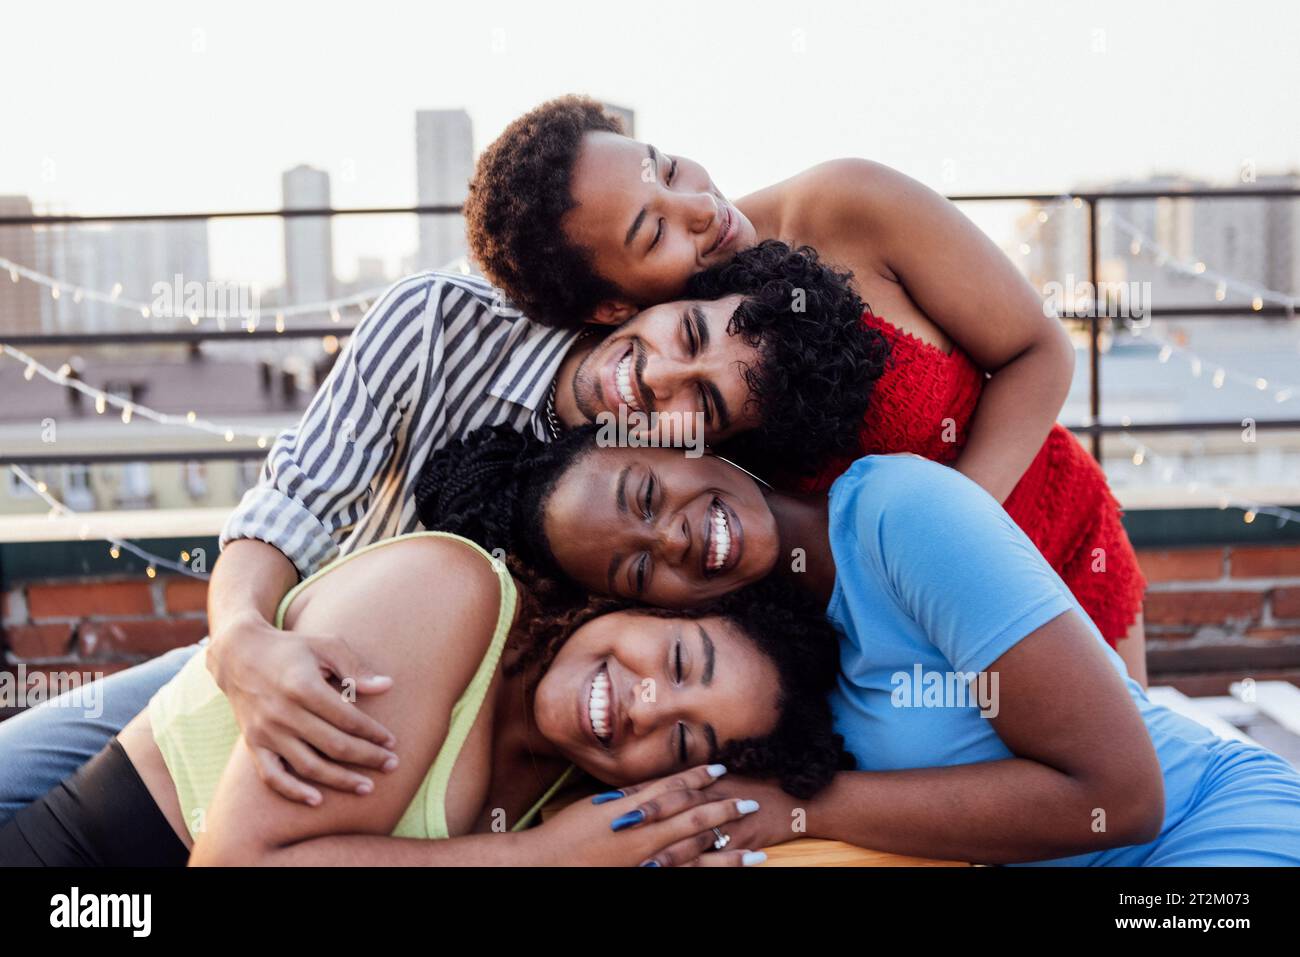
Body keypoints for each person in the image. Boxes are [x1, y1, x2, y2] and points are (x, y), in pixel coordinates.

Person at [0, 241, 881, 825]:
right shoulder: (445, 321)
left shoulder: (637, 539)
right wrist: (237, 640)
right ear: (639, 301)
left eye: (704, 404)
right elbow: (294, 500)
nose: (661, 383)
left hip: (430, 715)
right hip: (286, 630)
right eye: (683, 331)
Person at [465, 95, 1149, 683]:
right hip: (897, 635)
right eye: (654, 232)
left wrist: (949, 541)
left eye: (667, 169)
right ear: (611, 308)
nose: (699, 207)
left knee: (1129, 790)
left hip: (1051, 538)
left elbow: (1039, 352)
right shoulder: (652, 383)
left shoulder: (846, 204)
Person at [415, 426, 1300, 866]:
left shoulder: (899, 514)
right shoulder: (745, 667)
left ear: (677, 439)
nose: (677, 540)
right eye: (639, 570)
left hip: (1203, 835)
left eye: (651, 492)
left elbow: (1123, 795)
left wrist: (808, 808)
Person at [0, 531, 848, 866]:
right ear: (639, 602)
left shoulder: (565, 790)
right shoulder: (449, 596)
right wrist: (539, 858)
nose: (647, 705)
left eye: (688, 741)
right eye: (674, 657)